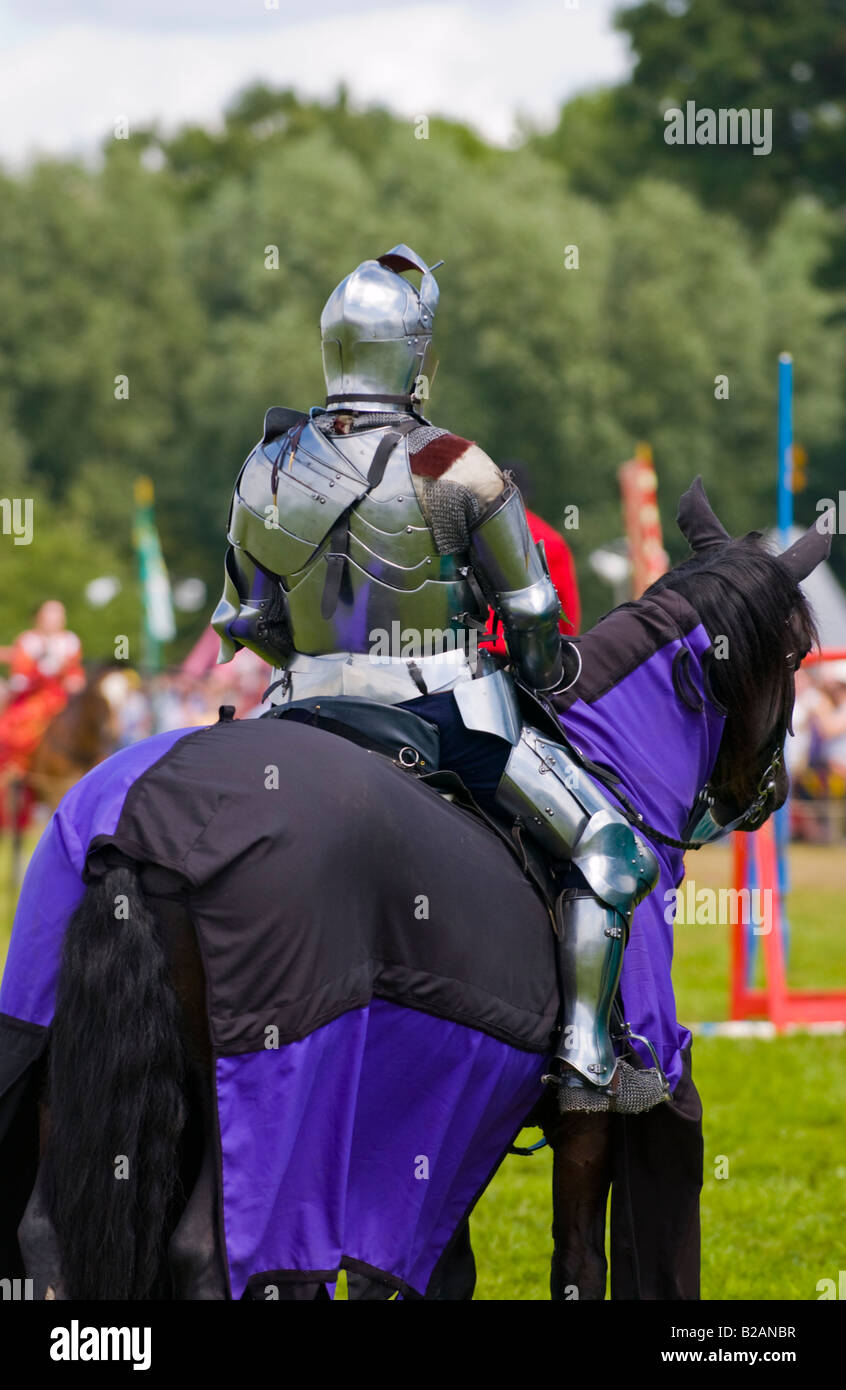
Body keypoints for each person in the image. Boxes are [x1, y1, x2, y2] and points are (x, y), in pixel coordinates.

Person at [212, 245, 661, 1111]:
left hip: (299, 712)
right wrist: (538, 671)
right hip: (443, 712)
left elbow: (248, 622)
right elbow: (531, 609)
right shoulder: (454, 463)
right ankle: (583, 1059)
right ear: (412, 355)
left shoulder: (264, 464)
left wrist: (319, 658)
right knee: (611, 851)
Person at [0, 600, 85, 777]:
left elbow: (75, 670)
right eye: (50, 614)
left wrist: (75, 679)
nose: (55, 620)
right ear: (39, 617)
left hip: (63, 698)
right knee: (18, 732)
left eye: (59, 615)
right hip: (35, 699)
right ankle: (18, 773)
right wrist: (39, 674)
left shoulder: (70, 642)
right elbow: (21, 672)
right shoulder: (28, 641)